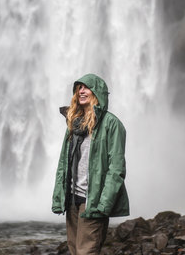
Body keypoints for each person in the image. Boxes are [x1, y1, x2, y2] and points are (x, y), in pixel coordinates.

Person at [52, 73, 129, 254]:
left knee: (86, 251)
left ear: (97, 93)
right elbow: (63, 162)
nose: (82, 91)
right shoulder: (74, 123)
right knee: (74, 250)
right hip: (72, 199)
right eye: (79, 88)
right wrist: (59, 197)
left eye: (86, 87)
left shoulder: (112, 124)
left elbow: (116, 168)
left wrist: (104, 204)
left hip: (93, 201)